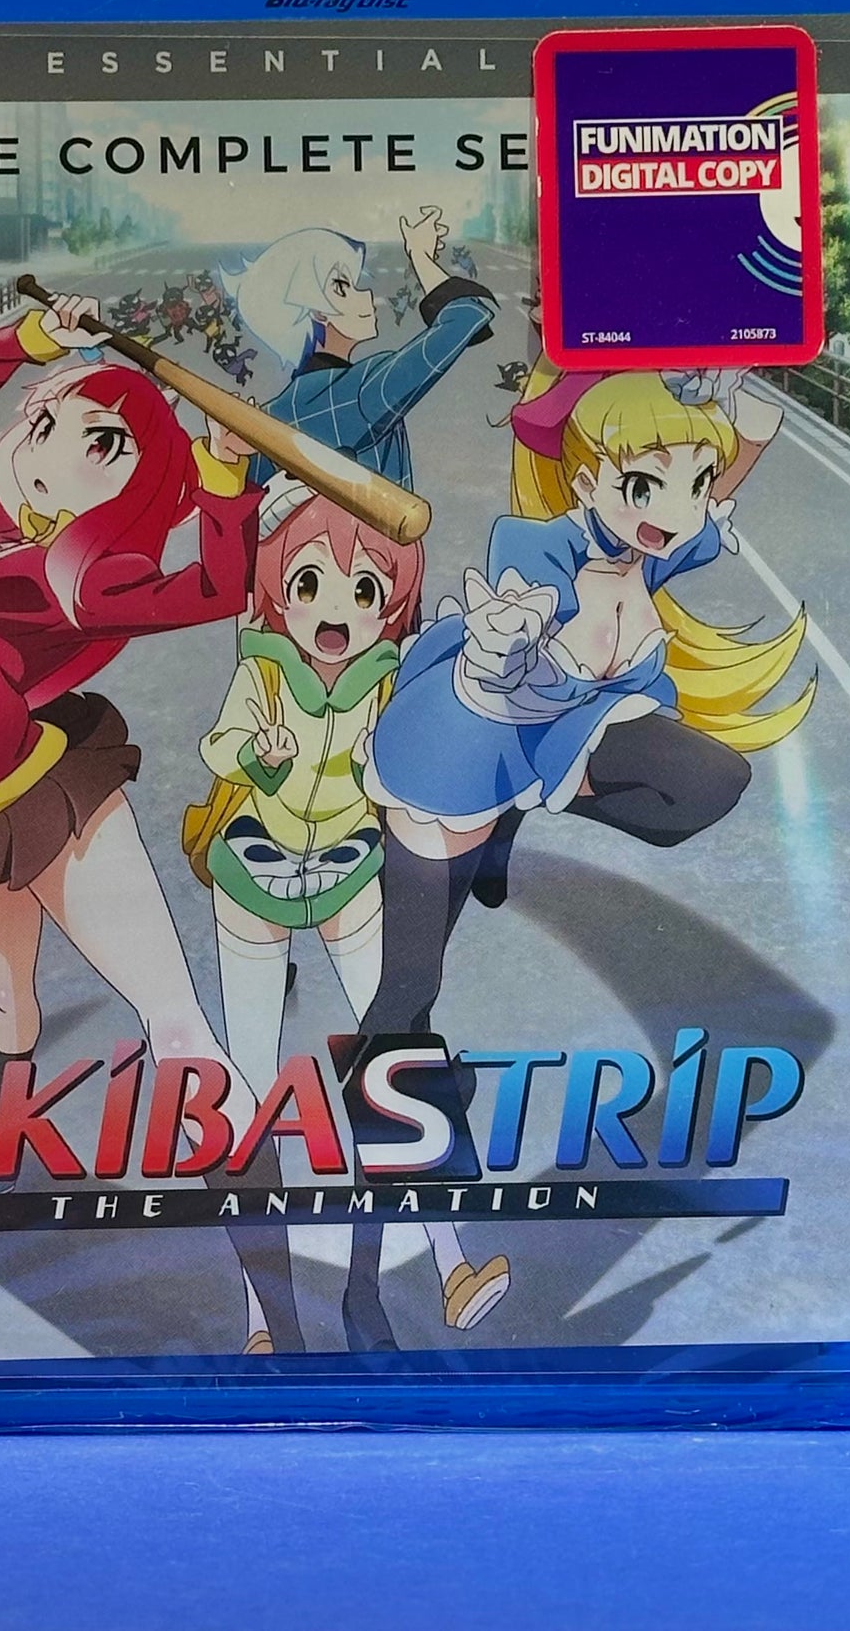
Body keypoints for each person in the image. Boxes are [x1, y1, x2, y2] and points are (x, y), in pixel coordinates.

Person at [0, 293, 306, 1350]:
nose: (49, 449)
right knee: (10, 1001)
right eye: (48, 421)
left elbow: (219, 585)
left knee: (177, 1031)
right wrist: (42, 338)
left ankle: (271, 1310)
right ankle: (4, 1165)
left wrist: (222, 476)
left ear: (135, 484)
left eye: (103, 445)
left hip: (52, 803)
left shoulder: (96, 575)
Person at [339, 360, 816, 1348]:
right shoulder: (532, 551)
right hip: (448, 773)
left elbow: (693, 516)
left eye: (690, 482)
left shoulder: (648, 543)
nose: (673, 509)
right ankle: (361, 1285)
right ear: (589, 478)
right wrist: (512, 657)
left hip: (528, 760)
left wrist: (746, 438)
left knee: (707, 781)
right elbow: (504, 674)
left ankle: (523, 816)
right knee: (403, 1009)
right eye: (644, 483)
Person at [188, 478, 508, 1351]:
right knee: (249, 1091)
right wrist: (259, 754)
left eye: (365, 589)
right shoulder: (263, 670)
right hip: (253, 876)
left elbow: (424, 758)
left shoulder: (388, 680)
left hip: (348, 869)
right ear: (277, 589)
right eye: (310, 583)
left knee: (398, 1055)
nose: (336, 611)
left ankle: (452, 1261)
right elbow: (219, 744)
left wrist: (388, 760)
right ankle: (262, 1316)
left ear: (390, 606)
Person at [224, 206, 495, 492]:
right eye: (343, 287)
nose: (366, 295)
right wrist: (420, 256)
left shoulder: (268, 417)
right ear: (317, 312)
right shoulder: (364, 391)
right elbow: (463, 318)